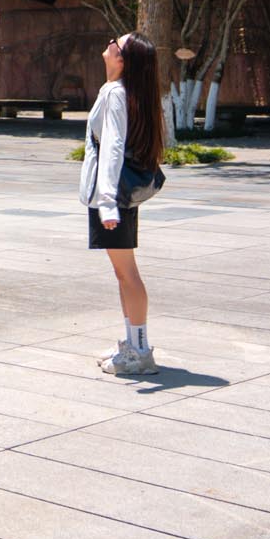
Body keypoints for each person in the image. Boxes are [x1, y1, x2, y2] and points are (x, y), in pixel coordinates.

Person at [81, 33, 163, 377]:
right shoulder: (123, 91)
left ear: (121, 59)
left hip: (111, 196)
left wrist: (107, 203)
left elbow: (112, 147)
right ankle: (132, 345)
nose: (109, 43)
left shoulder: (116, 93)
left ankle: (141, 351)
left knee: (127, 274)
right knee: (122, 272)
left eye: (116, 42)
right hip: (113, 194)